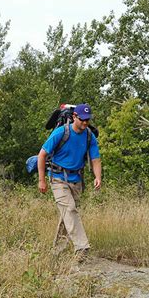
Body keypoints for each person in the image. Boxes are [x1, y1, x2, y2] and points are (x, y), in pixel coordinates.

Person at [37, 103, 101, 262]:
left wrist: (98, 177)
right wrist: (42, 180)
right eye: (82, 119)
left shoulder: (89, 136)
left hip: (76, 180)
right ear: (74, 117)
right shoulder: (61, 132)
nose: (85, 123)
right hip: (58, 178)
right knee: (70, 210)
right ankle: (82, 247)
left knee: (67, 215)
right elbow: (42, 155)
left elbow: (95, 159)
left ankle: (56, 253)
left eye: (88, 120)